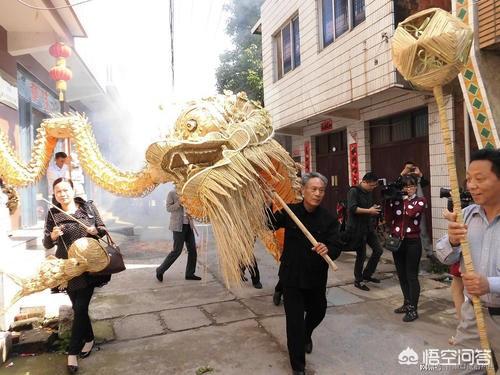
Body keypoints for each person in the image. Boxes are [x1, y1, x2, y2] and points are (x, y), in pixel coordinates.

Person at [267, 172, 341, 375]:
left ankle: (307, 334)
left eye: (321, 190)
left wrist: (328, 249)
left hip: (316, 277)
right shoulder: (290, 211)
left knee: (318, 311)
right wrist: (265, 201)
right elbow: (269, 223)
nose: (317, 194)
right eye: (313, 189)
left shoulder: (328, 219)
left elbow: (337, 246)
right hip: (291, 277)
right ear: (303, 190)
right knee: (294, 323)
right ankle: (298, 368)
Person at [436, 148, 500, 374]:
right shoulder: (467, 216)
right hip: (474, 314)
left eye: (480, 179)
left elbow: (488, 283)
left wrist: (490, 284)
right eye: (469, 179)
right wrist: (452, 240)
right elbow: (443, 256)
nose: (471, 185)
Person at [43, 178, 110, 374]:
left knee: (80, 307)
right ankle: (89, 339)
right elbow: (47, 243)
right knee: (78, 307)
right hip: (69, 268)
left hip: (89, 265)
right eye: (58, 192)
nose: (62, 194)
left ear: (73, 190)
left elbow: (103, 230)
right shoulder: (53, 213)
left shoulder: (87, 208)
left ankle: (72, 353)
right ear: (54, 195)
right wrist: (52, 236)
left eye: (65, 190)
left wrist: (95, 230)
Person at [385, 175, 427, 322]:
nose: (408, 189)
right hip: (397, 242)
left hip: (412, 242)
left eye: (411, 186)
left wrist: (403, 200)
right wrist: (389, 200)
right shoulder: (397, 200)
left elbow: (410, 213)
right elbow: (389, 218)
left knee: (411, 276)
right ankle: (406, 302)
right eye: (405, 186)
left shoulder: (420, 201)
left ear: (415, 186)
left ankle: (413, 309)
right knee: (401, 275)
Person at [346, 172, 384, 291]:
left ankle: (367, 274)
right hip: (357, 229)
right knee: (361, 255)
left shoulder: (368, 192)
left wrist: (375, 209)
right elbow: (352, 208)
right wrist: (369, 211)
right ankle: (358, 280)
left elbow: (369, 207)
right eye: (371, 185)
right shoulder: (354, 191)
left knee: (378, 250)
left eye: (374, 186)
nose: (373, 188)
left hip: (368, 227)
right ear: (365, 182)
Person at [156, 187, 201, 282]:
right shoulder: (172, 193)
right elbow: (168, 208)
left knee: (192, 250)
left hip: (189, 225)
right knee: (177, 250)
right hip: (177, 226)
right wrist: (179, 202)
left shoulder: (189, 193)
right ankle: (160, 270)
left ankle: (190, 273)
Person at [396, 161, 433, 257]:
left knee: (423, 229)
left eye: (411, 168)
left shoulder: (417, 179)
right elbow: (396, 185)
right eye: (408, 168)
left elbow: (426, 183)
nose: (410, 171)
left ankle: (428, 252)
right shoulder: (402, 179)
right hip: (406, 208)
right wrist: (402, 174)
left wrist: (420, 174)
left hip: (418, 206)